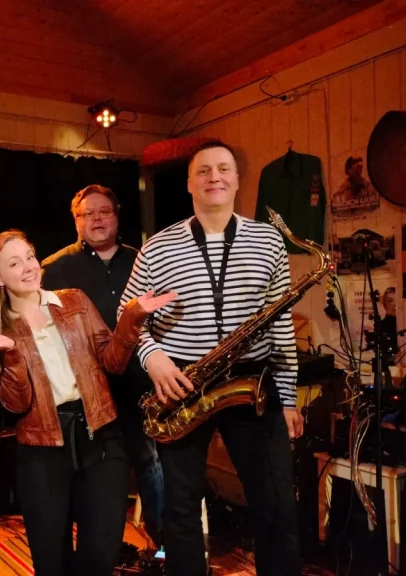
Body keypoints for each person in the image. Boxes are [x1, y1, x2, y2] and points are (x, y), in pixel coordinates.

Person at [119, 140, 303, 576]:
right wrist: (153, 359)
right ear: (189, 184)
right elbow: (127, 316)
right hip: (183, 381)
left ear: (237, 180)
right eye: (203, 171)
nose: (214, 177)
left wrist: (289, 398)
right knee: (181, 507)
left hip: (252, 381)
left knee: (276, 502)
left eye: (223, 169)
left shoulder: (268, 240)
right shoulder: (157, 247)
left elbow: (280, 323)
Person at [0, 231, 176, 576]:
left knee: (101, 555)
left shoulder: (74, 301)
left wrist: (132, 318)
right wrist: (12, 355)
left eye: (30, 257)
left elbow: (113, 363)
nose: (28, 267)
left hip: (100, 436)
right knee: (51, 562)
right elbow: (15, 406)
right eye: (14, 263)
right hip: (41, 449)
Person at [40, 184, 165, 546]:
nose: (96, 219)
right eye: (87, 213)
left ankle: (162, 547)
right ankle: (97, 550)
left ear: (116, 216)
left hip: (141, 385)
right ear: (75, 220)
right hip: (86, 395)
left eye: (104, 212)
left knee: (152, 463)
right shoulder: (53, 269)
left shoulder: (144, 261)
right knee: (93, 474)